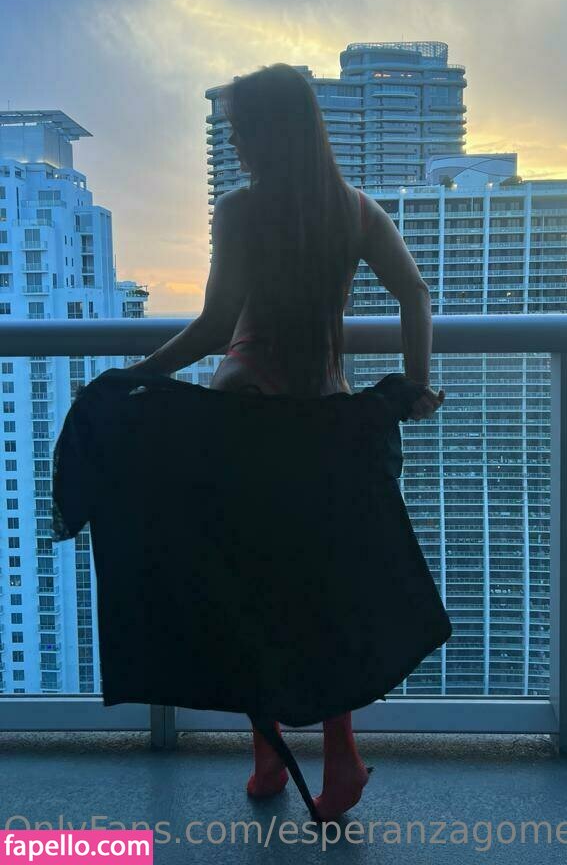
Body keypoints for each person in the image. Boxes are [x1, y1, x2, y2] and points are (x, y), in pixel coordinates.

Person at [129, 62, 445, 821]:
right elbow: (414, 292)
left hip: (243, 423)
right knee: (320, 595)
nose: (236, 143)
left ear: (276, 130)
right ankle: (341, 759)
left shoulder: (241, 210)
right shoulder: (354, 209)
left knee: (250, 590)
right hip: (324, 429)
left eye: (243, 129)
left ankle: (268, 752)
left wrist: (135, 375)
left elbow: (216, 325)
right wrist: (415, 385)